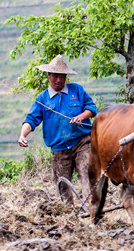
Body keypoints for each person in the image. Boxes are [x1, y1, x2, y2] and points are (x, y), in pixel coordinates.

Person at [18, 55, 97, 205]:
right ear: (49, 76)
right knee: (63, 184)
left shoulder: (77, 90)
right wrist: (23, 135)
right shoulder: (42, 99)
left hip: (82, 143)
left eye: (62, 76)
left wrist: (81, 117)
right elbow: (31, 120)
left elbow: (91, 108)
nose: (58, 80)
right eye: (55, 76)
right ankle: (69, 216)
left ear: (66, 76)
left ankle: (91, 208)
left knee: (87, 173)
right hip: (59, 148)